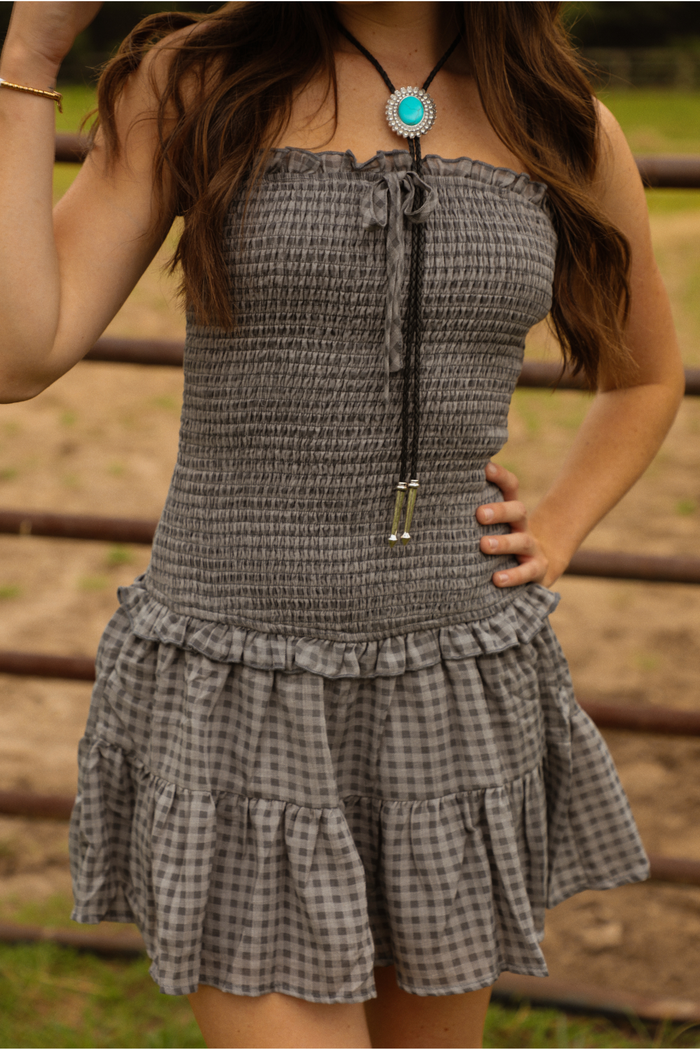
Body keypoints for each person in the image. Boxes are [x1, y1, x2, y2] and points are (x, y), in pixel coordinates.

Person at [0, 1, 685, 1046]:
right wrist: (28, 55)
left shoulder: (559, 118)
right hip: (240, 687)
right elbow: (18, 353)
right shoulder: (196, 82)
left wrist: (560, 521)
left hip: (450, 692)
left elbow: (643, 376)